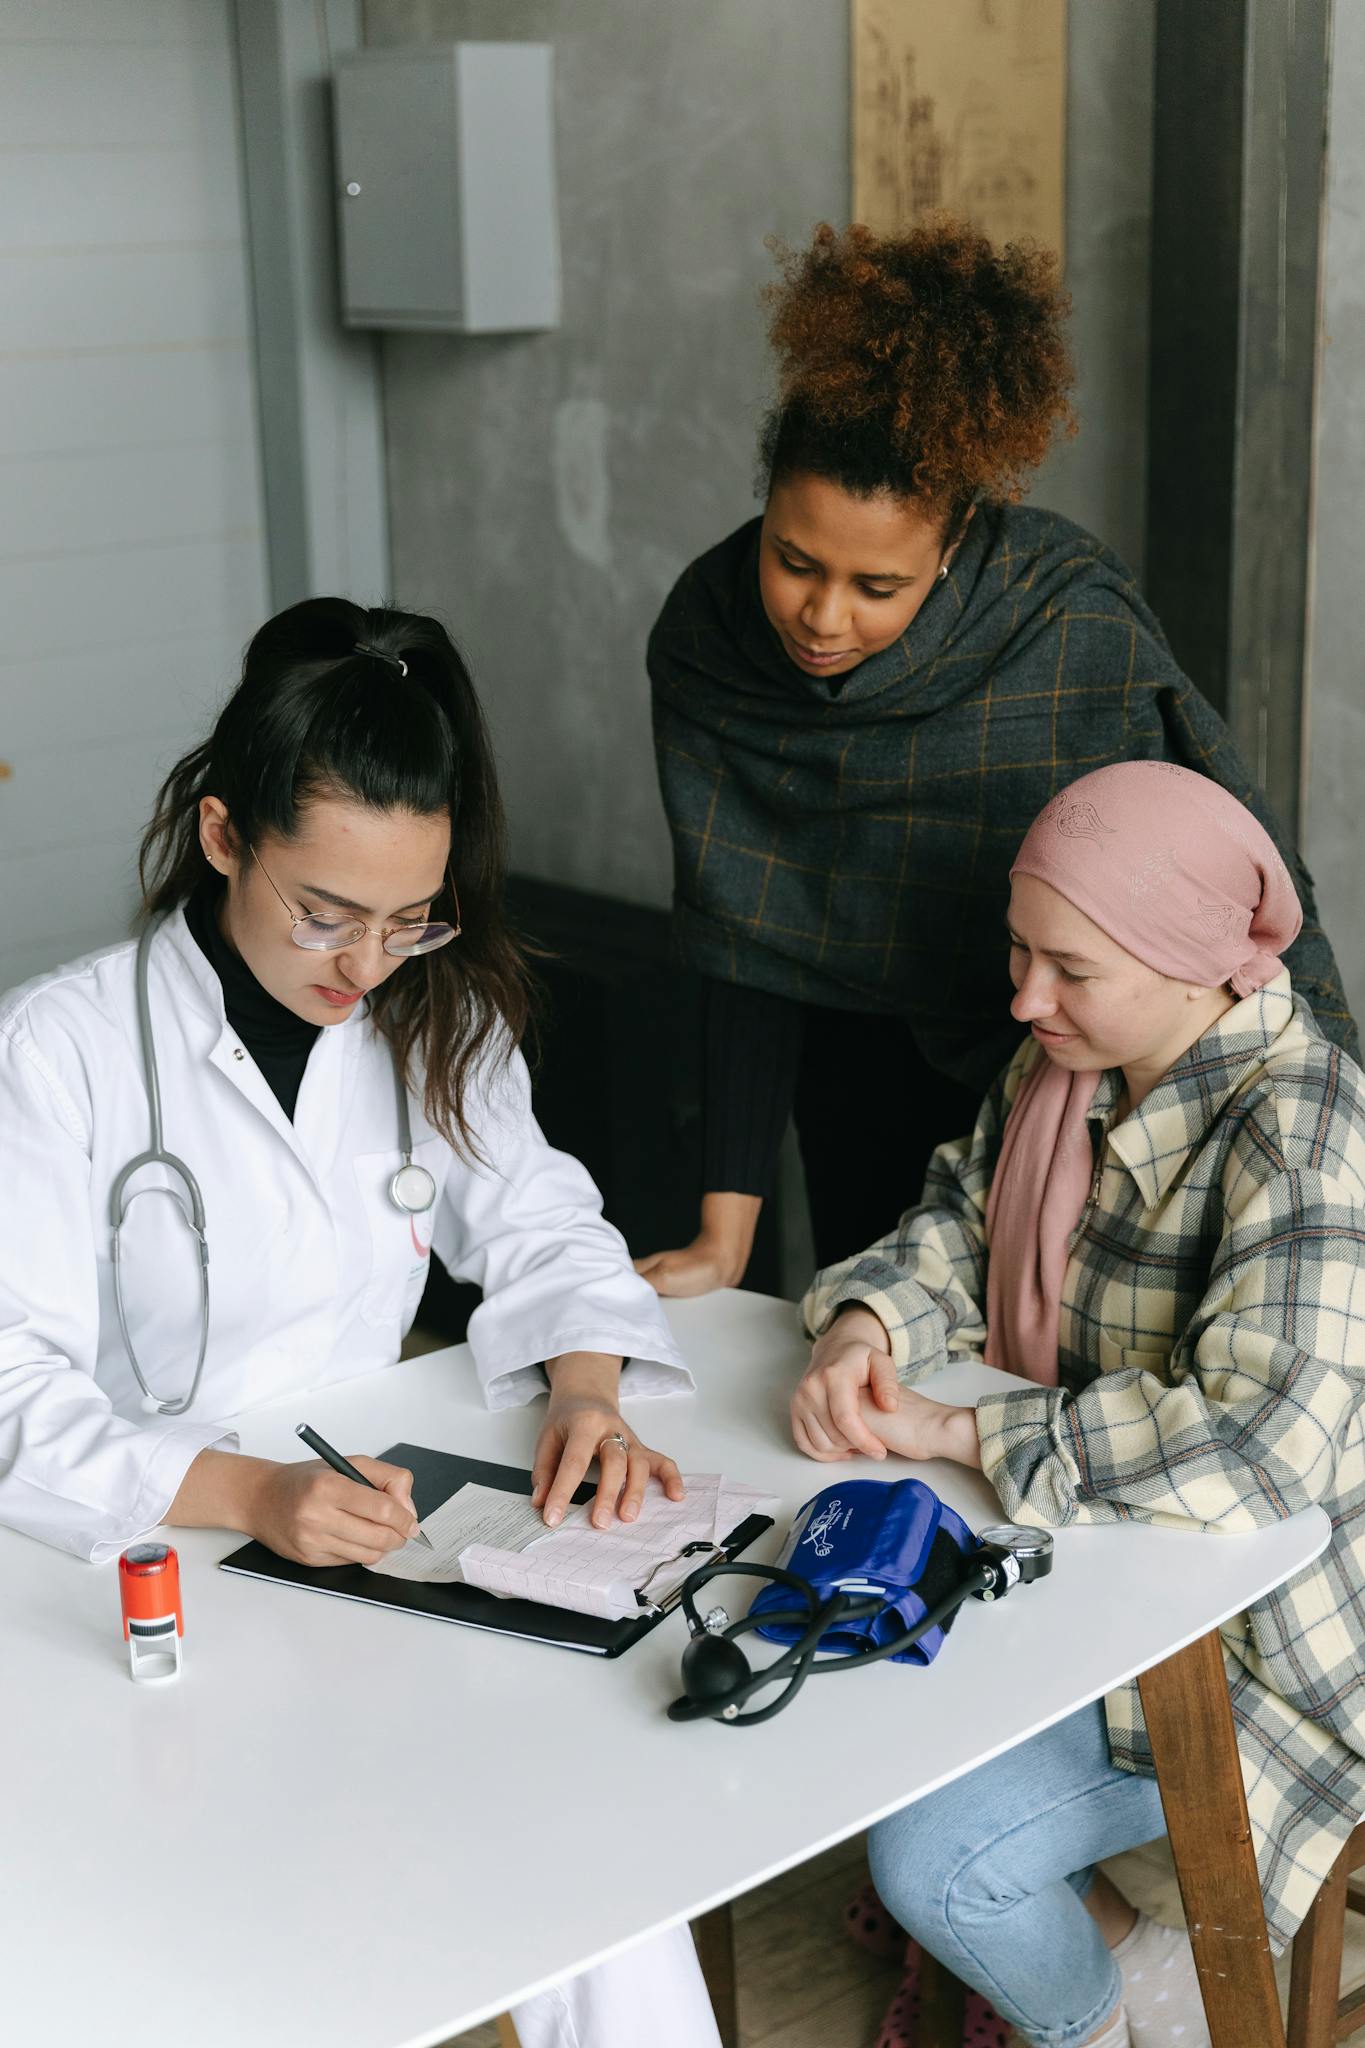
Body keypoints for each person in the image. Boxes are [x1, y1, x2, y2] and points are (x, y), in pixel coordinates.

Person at [0, 597, 722, 2048]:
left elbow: (539, 1221)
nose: (363, 961)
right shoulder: (59, 1050)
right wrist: (253, 1493)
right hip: (128, 1562)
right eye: (324, 912)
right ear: (222, 839)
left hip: (363, 1541)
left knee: (600, 1880)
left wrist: (587, 1384)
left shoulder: (431, 1020)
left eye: (408, 917)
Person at [640, 219, 1357, 1298]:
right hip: (852, 1065)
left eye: (878, 587)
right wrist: (723, 1229)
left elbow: (1218, 892)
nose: (823, 616)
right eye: (792, 562)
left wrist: (1316, 1125)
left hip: (1064, 1058)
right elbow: (745, 935)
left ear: (962, 532)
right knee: (873, 1328)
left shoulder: (1063, 627)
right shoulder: (710, 636)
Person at [792, 761, 1365, 2048]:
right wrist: (867, 1318)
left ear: (1191, 958)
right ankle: (1120, 1954)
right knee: (816, 1674)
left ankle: (1101, 2015)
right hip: (1091, 1559)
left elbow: (1263, 1449)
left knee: (937, 1856)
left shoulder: (1303, 1124)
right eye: (1018, 952)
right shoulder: (1066, 1064)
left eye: (1069, 967)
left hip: (1264, 1637)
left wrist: (969, 1429)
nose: (1023, 995)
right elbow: (954, 1213)